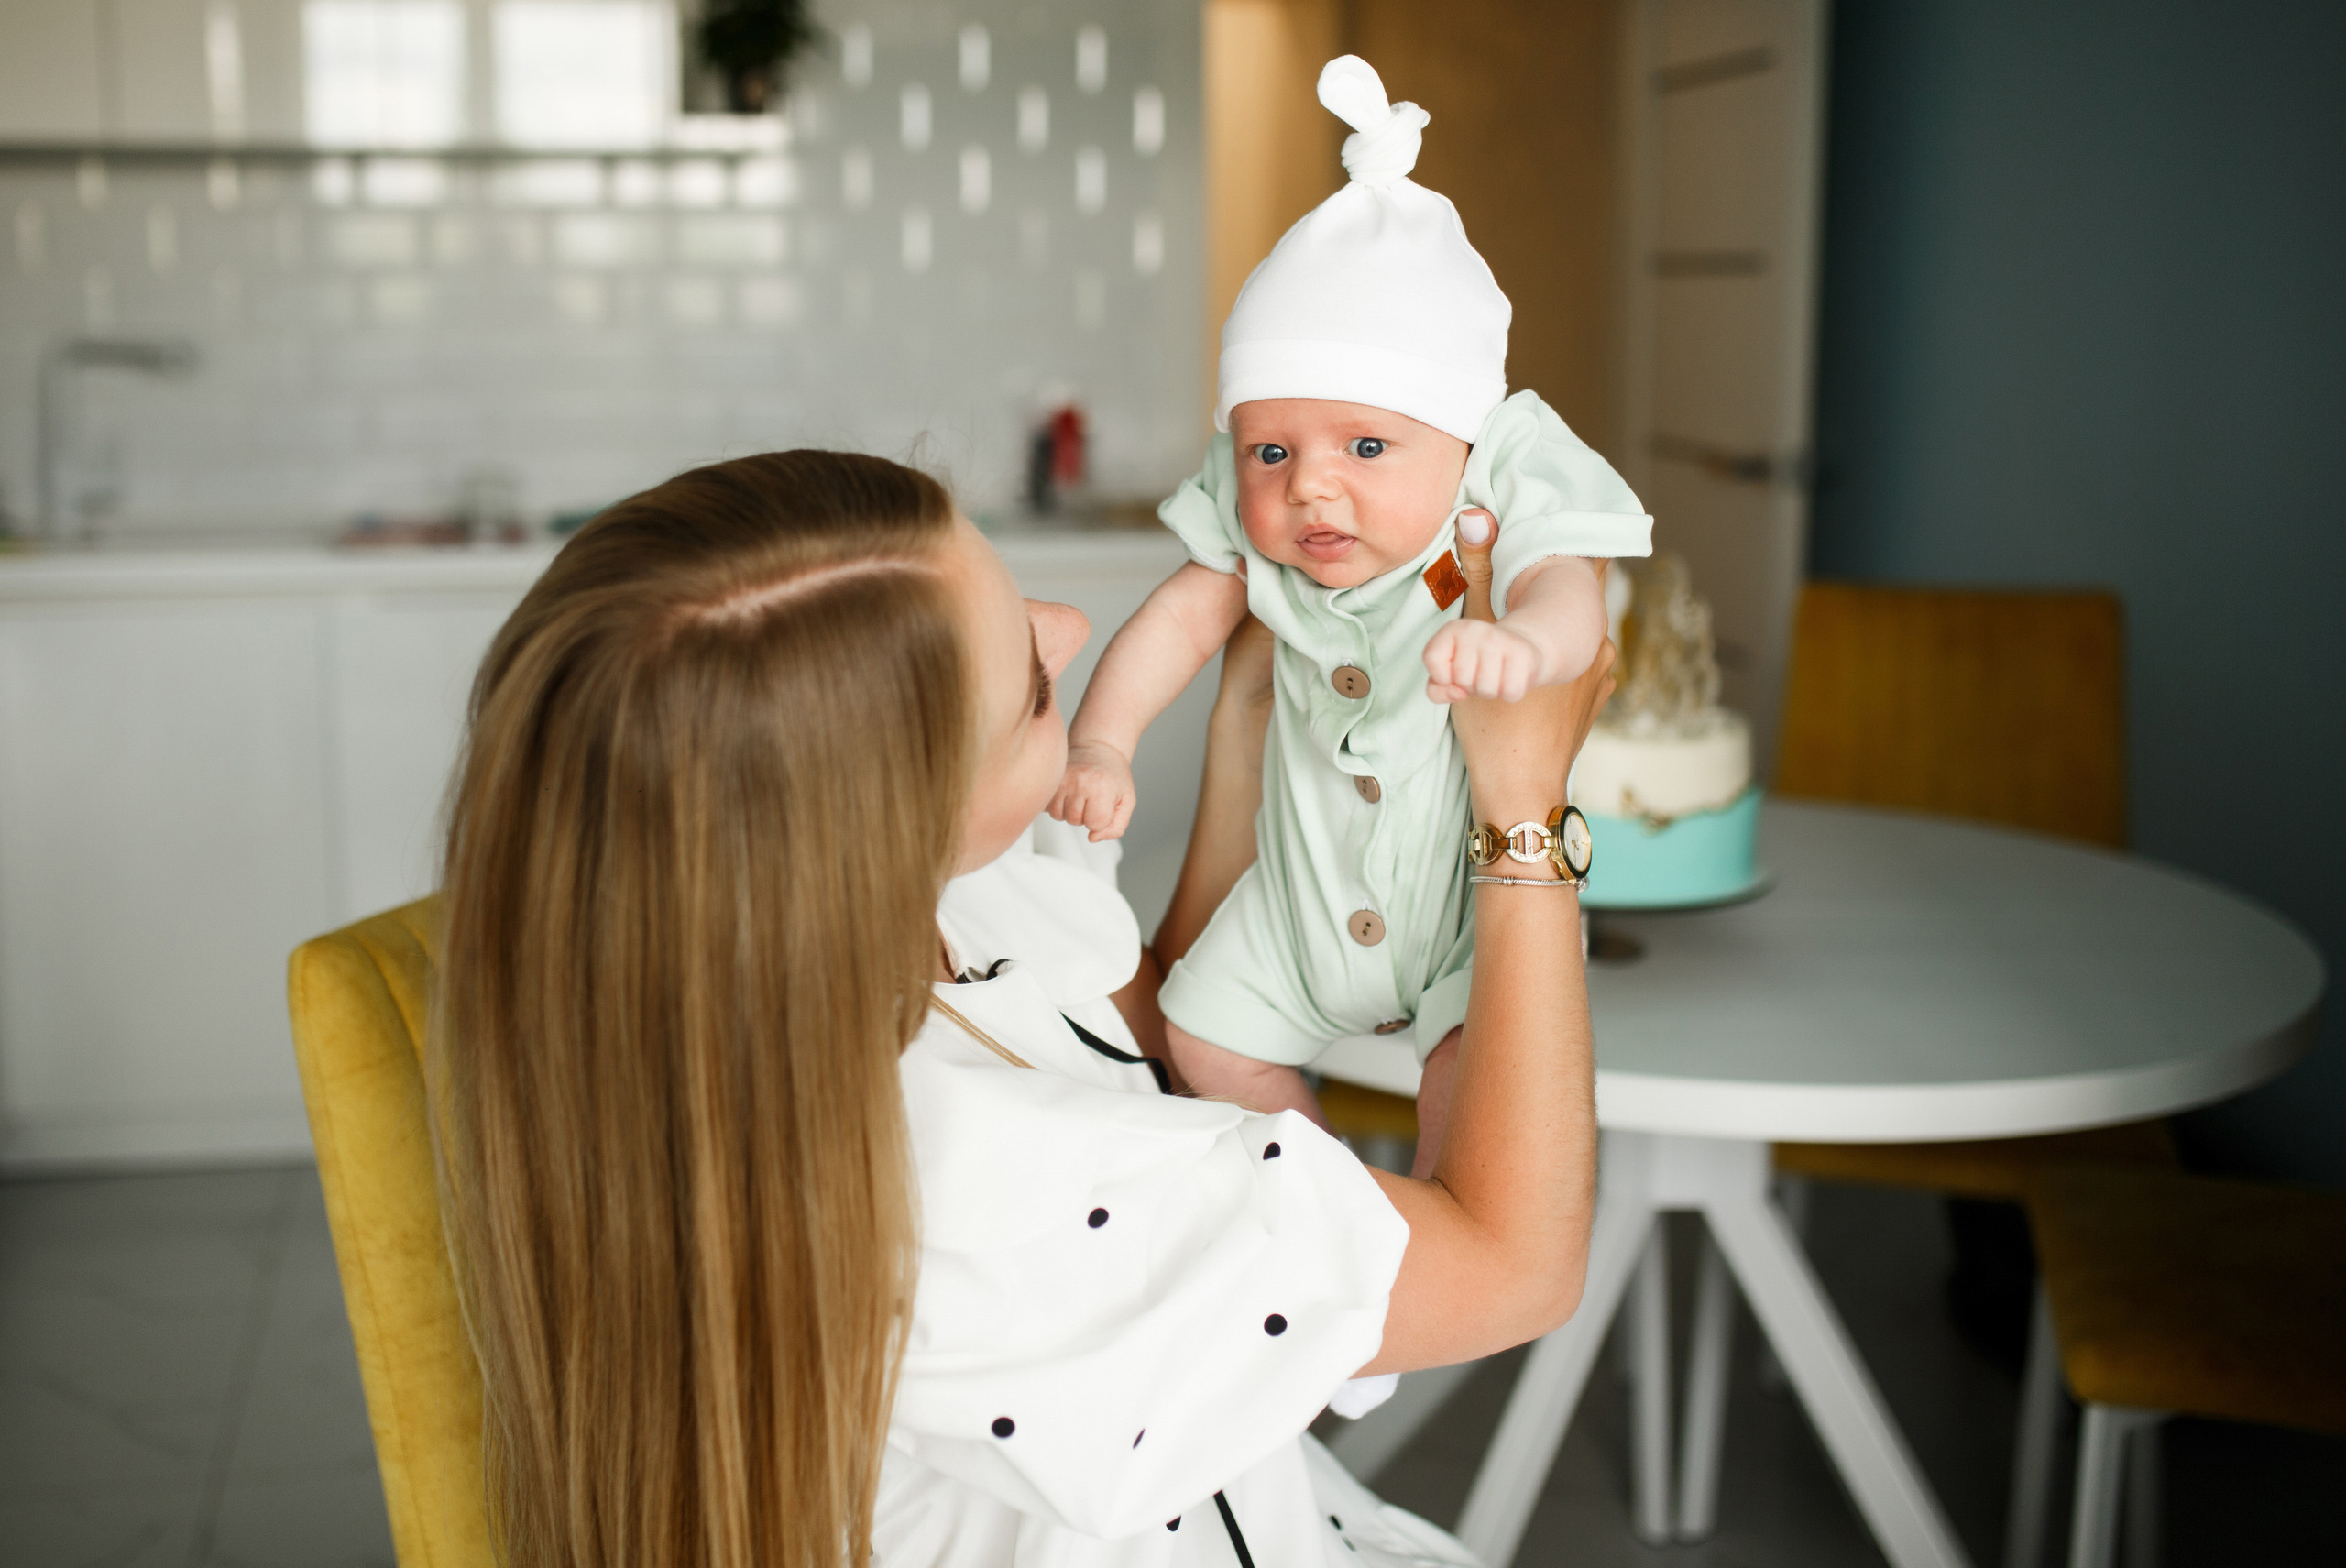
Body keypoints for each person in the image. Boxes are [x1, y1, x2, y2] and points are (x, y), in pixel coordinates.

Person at [430, 449, 1610, 1568]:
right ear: (895, 823)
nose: (1073, 630)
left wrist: (1248, 715)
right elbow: (1514, 1268)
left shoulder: (850, 941)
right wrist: (1523, 809)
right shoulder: (976, 1198)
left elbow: (1150, 1047)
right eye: (1038, 689)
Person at [1047, 56, 1650, 1176]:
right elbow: (1178, 619)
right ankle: (1337, 1210)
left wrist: (1524, 643)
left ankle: (1438, 1227)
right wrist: (1101, 738)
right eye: (1270, 451)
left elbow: (1579, 592)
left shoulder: (1497, 484)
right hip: (1301, 906)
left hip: (1474, 919)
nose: (1310, 486)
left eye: (1366, 448)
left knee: (1470, 1086)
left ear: (1462, 438)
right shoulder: (1260, 527)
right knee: (1203, 1036)